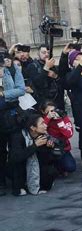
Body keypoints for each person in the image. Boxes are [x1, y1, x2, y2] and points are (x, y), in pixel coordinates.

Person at [8, 114, 60, 196]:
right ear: (33, 128)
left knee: (51, 171)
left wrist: (50, 148)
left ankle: (35, 185)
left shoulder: (44, 135)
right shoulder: (18, 136)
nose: (45, 125)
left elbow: (59, 148)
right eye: (42, 123)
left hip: (37, 167)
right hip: (20, 168)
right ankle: (19, 187)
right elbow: (15, 158)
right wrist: (34, 146)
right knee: (17, 165)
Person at [0, 50, 26, 196]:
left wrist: (4, 94)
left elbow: (21, 90)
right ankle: (2, 180)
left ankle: (17, 182)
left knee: (15, 148)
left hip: (11, 113)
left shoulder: (12, 69)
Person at [40, 101, 76, 176]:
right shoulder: (42, 119)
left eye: (53, 111)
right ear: (43, 112)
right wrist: (47, 118)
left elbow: (69, 134)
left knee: (71, 167)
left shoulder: (63, 117)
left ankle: (60, 168)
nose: (51, 113)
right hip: (46, 148)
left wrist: (59, 121)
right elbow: (40, 130)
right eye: (48, 112)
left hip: (62, 148)